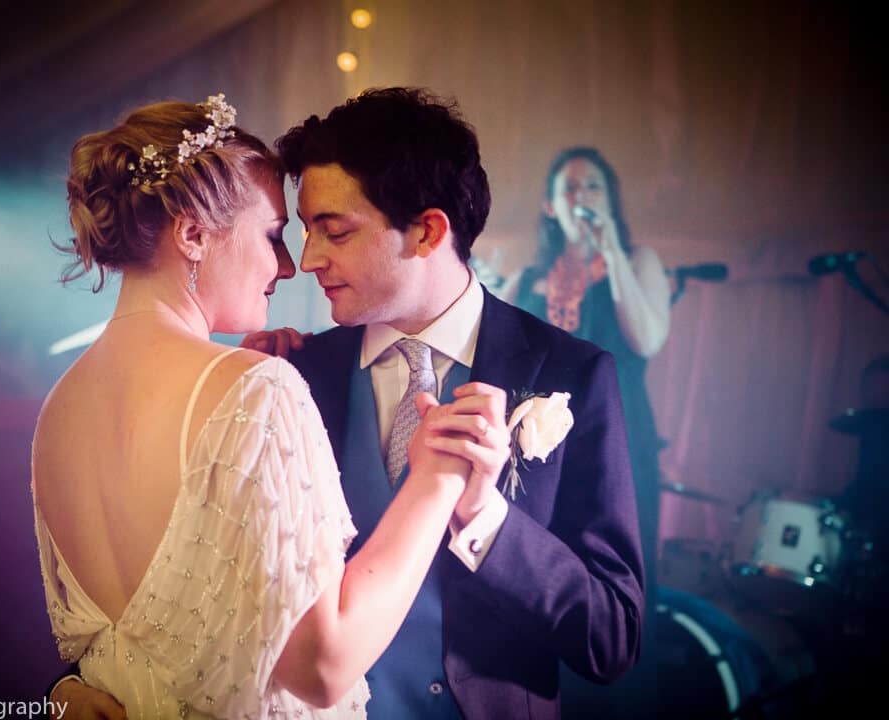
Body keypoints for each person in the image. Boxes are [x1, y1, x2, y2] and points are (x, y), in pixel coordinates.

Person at [56, 88, 645, 720]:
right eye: (300, 231)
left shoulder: (572, 374)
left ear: (427, 231)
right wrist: (78, 683)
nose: (305, 262)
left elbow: (612, 639)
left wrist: (483, 516)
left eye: (333, 232)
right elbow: (171, 576)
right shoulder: (285, 375)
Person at [506, 146, 670, 716]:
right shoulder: (528, 276)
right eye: (570, 188)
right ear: (551, 206)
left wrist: (612, 256)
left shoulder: (640, 260)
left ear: (611, 200)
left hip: (621, 438)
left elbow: (648, 340)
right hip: (536, 448)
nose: (582, 198)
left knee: (615, 565)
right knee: (541, 563)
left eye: (593, 187)